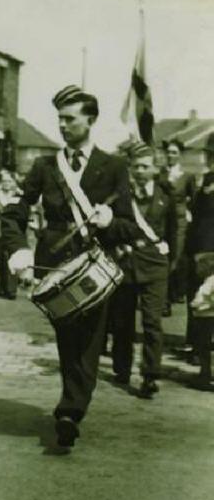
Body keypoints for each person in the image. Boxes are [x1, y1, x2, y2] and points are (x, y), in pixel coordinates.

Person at [2, 85, 141, 448]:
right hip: (55, 268)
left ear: (90, 120)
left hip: (95, 268)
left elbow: (130, 226)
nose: (63, 126)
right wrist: (18, 250)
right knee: (68, 341)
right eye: (60, 119)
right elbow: (14, 212)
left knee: (90, 342)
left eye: (70, 118)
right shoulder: (45, 166)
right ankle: (72, 402)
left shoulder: (113, 167)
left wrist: (110, 220)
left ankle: (70, 411)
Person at [110, 143, 177, 398]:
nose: (139, 171)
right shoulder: (120, 195)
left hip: (155, 266)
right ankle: (122, 367)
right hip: (126, 264)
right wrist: (117, 247)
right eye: (135, 166)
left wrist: (170, 264)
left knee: (152, 321)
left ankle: (150, 375)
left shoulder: (166, 195)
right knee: (122, 322)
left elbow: (173, 232)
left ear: (155, 169)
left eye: (145, 167)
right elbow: (111, 226)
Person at [185, 133, 214, 390]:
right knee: (204, 314)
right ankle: (206, 371)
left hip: (209, 255)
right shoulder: (205, 180)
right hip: (202, 255)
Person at [160, 139, 196, 315]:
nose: (170, 155)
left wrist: (188, 214)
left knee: (176, 257)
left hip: (180, 223)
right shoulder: (160, 174)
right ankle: (165, 301)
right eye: (168, 152)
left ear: (180, 155)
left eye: (174, 152)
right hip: (162, 222)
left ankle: (174, 294)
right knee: (163, 257)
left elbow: (193, 199)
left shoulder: (187, 176)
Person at [0, 169, 21, 299]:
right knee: (1, 258)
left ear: (14, 182)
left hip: (14, 231)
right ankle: (2, 287)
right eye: (4, 181)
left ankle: (11, 290)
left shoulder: (19, 196)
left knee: (13, 259)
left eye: (9, 181)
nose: (6, 183)